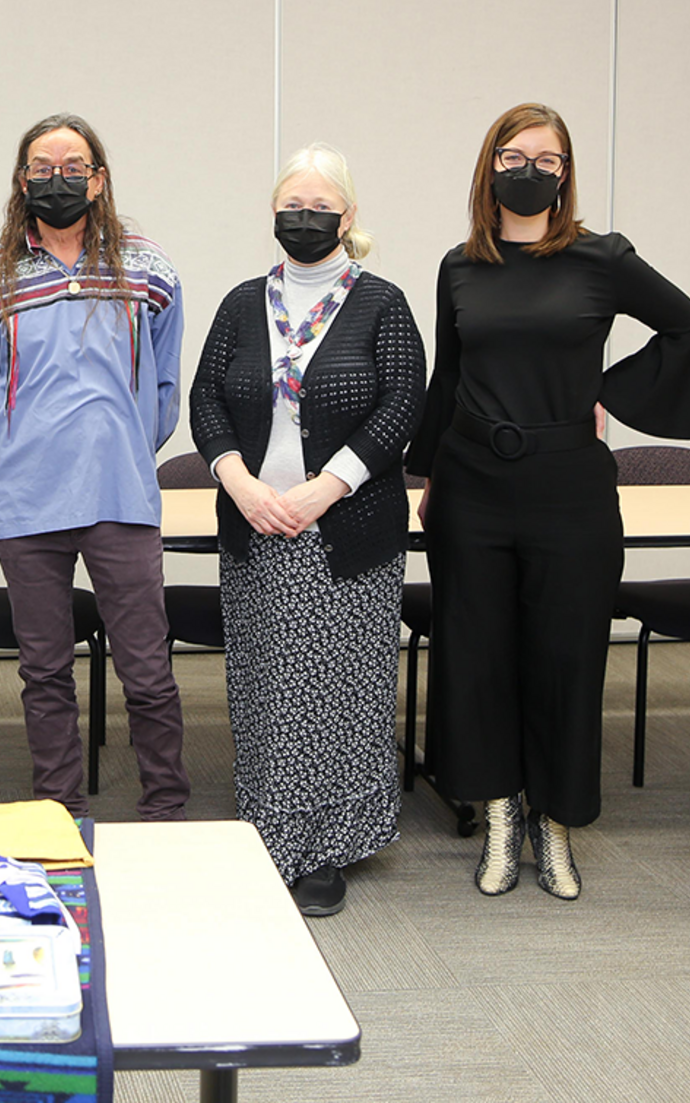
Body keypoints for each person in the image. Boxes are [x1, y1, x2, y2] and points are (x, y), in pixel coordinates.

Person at [407, 102, 690, 900]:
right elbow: (447, 379)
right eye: (514, 155)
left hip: (569, 490)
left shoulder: (602, 258)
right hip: (473, 484)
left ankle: (553, 824)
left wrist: (605, 392)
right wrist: (429, 480)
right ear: (489, 166)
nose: (530, 169)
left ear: (566, 172)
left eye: (547, 159)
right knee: (478, 656)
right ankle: (497, 817)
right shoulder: (461, 265)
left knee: (565, 656)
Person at [188, 143, 425, 916]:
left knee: (342, 691)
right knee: (266, 687)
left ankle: (328, 845)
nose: (305, 218)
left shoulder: (381, 302)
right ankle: (267, 829)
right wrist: (240, 483)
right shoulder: (240, 303)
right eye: (292, 206)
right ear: (273, 213)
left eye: (321, 207)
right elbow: (207, 403)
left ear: (348, 216)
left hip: (347, 526)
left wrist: (324, 489)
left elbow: (401, 408)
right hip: (257, 522)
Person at [0, 113, 190, 822]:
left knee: (147, 670)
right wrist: (28, 446)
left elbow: (162, 388)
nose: (56, 179)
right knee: (44, 673)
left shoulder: (149, 268)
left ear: (98, 178)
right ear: (21, 179)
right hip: (28, 505)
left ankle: (166, 808)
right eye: (41, 166)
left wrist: (117, 444)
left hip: (122, 498)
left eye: (72, 166)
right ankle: (60, 811)